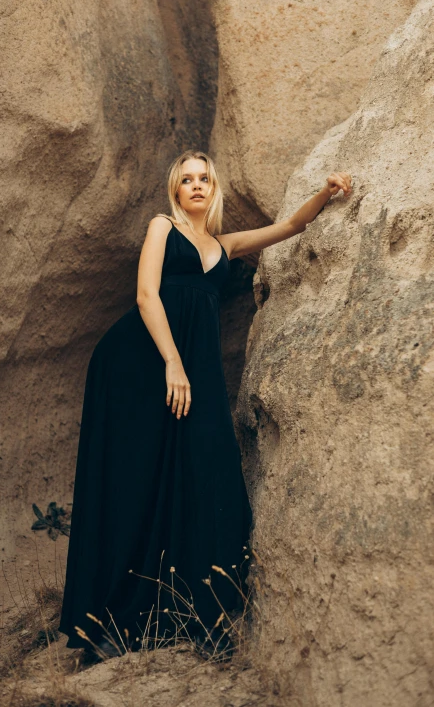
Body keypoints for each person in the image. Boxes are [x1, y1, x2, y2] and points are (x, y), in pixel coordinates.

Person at [58, 149, 352, 660]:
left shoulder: (224, 244)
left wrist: (328, 192)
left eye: (204, 179)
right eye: (187, 180)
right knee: (139, 479)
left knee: (206, 466)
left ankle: (201, 614)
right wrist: (173, 363)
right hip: (141, 366)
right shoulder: (161, 228)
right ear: (176, 191)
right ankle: (109, 623)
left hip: (195, 373)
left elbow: (290, 226)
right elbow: (147, 297)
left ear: (213, 190)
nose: (196, 186)